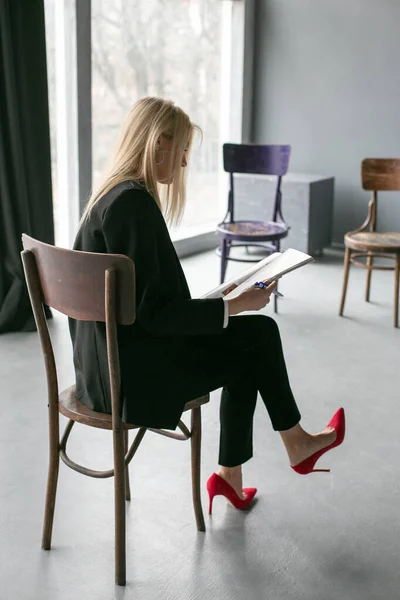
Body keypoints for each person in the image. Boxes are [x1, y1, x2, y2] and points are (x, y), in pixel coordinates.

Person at [69, 97, 345, 514]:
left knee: (246, 343)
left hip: (101, 370)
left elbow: (145, 306)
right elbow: (156, 315)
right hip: (130, 382)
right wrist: (232, 306)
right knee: (258, 335)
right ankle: (295, 445)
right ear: (159, 143)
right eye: (182, 152)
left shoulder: (109, 195)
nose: (182, 165)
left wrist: (224, 302)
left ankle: (234, 475)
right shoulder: (133, 204)